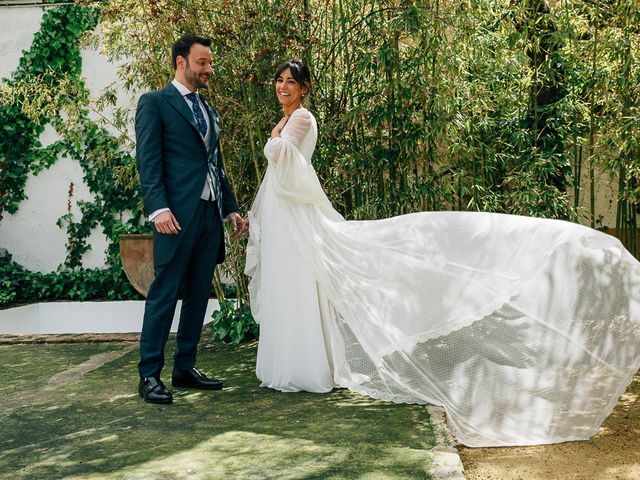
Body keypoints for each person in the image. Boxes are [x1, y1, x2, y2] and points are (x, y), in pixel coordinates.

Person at [245, 59, 640, 447]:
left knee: (300, 282)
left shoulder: (301, 119)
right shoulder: (288, 118)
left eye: (290, 81)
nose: (283, 87)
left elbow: (280, 155)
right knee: (290, 282)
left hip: (296, 213)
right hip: (286, 213)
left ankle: (305, 367)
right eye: (279, 80)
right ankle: (287, 363)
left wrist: (275, 133)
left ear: (304, 88)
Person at [135, 34, 244, 404]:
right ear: (181, 62)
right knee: (164, 294)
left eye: (210, 62)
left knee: (199, 294)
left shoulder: (208, 109)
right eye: (202, 63)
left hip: (208, 216)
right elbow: (148, 161)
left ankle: (185, 368)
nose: (208, 69)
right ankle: (149, 374)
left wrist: (229, 207)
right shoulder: (155, 103)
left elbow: (215, 165)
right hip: (175, 217)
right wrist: (158, 208)